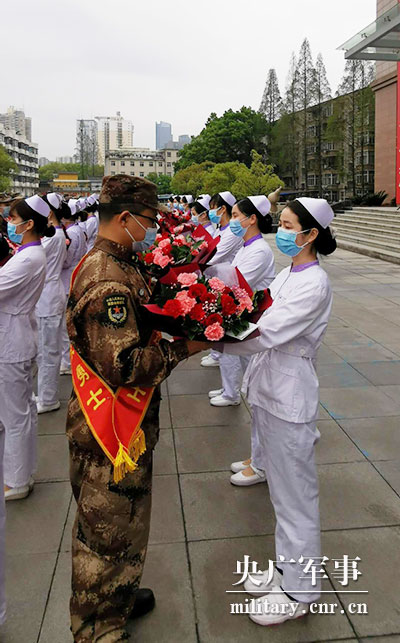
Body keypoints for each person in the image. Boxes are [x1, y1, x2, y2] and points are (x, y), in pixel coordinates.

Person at [66, 175, 207, 642]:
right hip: (107, 428)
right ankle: (96, 628)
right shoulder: (107, 279)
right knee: (104, 532)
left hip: (126, 423)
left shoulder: (120, 263)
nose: (150, 229)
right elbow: (125, 365)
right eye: (146, 221)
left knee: (123, 524)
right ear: (123, 218)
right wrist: (182, 348)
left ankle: (118, 594)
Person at [218, 197, 336, 625]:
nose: (280, 231)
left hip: (290, 399)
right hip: (270, 391)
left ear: (311, 235)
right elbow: (256, 314)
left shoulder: (314, 284)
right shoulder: (289, 273)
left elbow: (265, 331)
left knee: (296, 498)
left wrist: (208, 337)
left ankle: (299, 591)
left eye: (288, 225)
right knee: (281, 496)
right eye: (280, 223)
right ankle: (288, 570)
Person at [0, 195, 53, 500]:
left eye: (13, 218)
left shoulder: (29, 258)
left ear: (29, 224)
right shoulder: (26, 253)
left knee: (15, 414)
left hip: (12, 340)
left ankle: (17, 480)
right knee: (19, 411)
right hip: (14, 335)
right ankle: (20, 472)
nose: (10, 223)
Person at [209, 195, 276, 407]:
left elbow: (238, 281)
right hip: (240, 308)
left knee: (241, 356)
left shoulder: (259, 250)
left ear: (252, 219)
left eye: (237, 215)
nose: (233, 220)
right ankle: (233, 390)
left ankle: (236, 393)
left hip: (250, 311)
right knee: (234, 354)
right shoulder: (248, 246)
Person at [35, 193, 68, 414]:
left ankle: (48, 398)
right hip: (50, 293)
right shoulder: (58, 235)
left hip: (48, 296)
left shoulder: (52, 237)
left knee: (47, 351)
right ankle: (46, 394)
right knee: (47, 349)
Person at [201, 191, 242, 368]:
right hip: (217, 279)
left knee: (223, 326)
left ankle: (218, 355)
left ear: (222, 208)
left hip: (227, 282)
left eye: (212, 209)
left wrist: (195, 261)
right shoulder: (220, 229)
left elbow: (214, 256)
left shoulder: (232, 233)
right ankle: (216, 353)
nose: (211, 213)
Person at [60, 201, 87, 375]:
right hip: (76, 274)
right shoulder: (78, 230)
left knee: (66, 325)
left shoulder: (70, 233)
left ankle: (68, 361)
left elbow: (66, 260)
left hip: (66, 277)